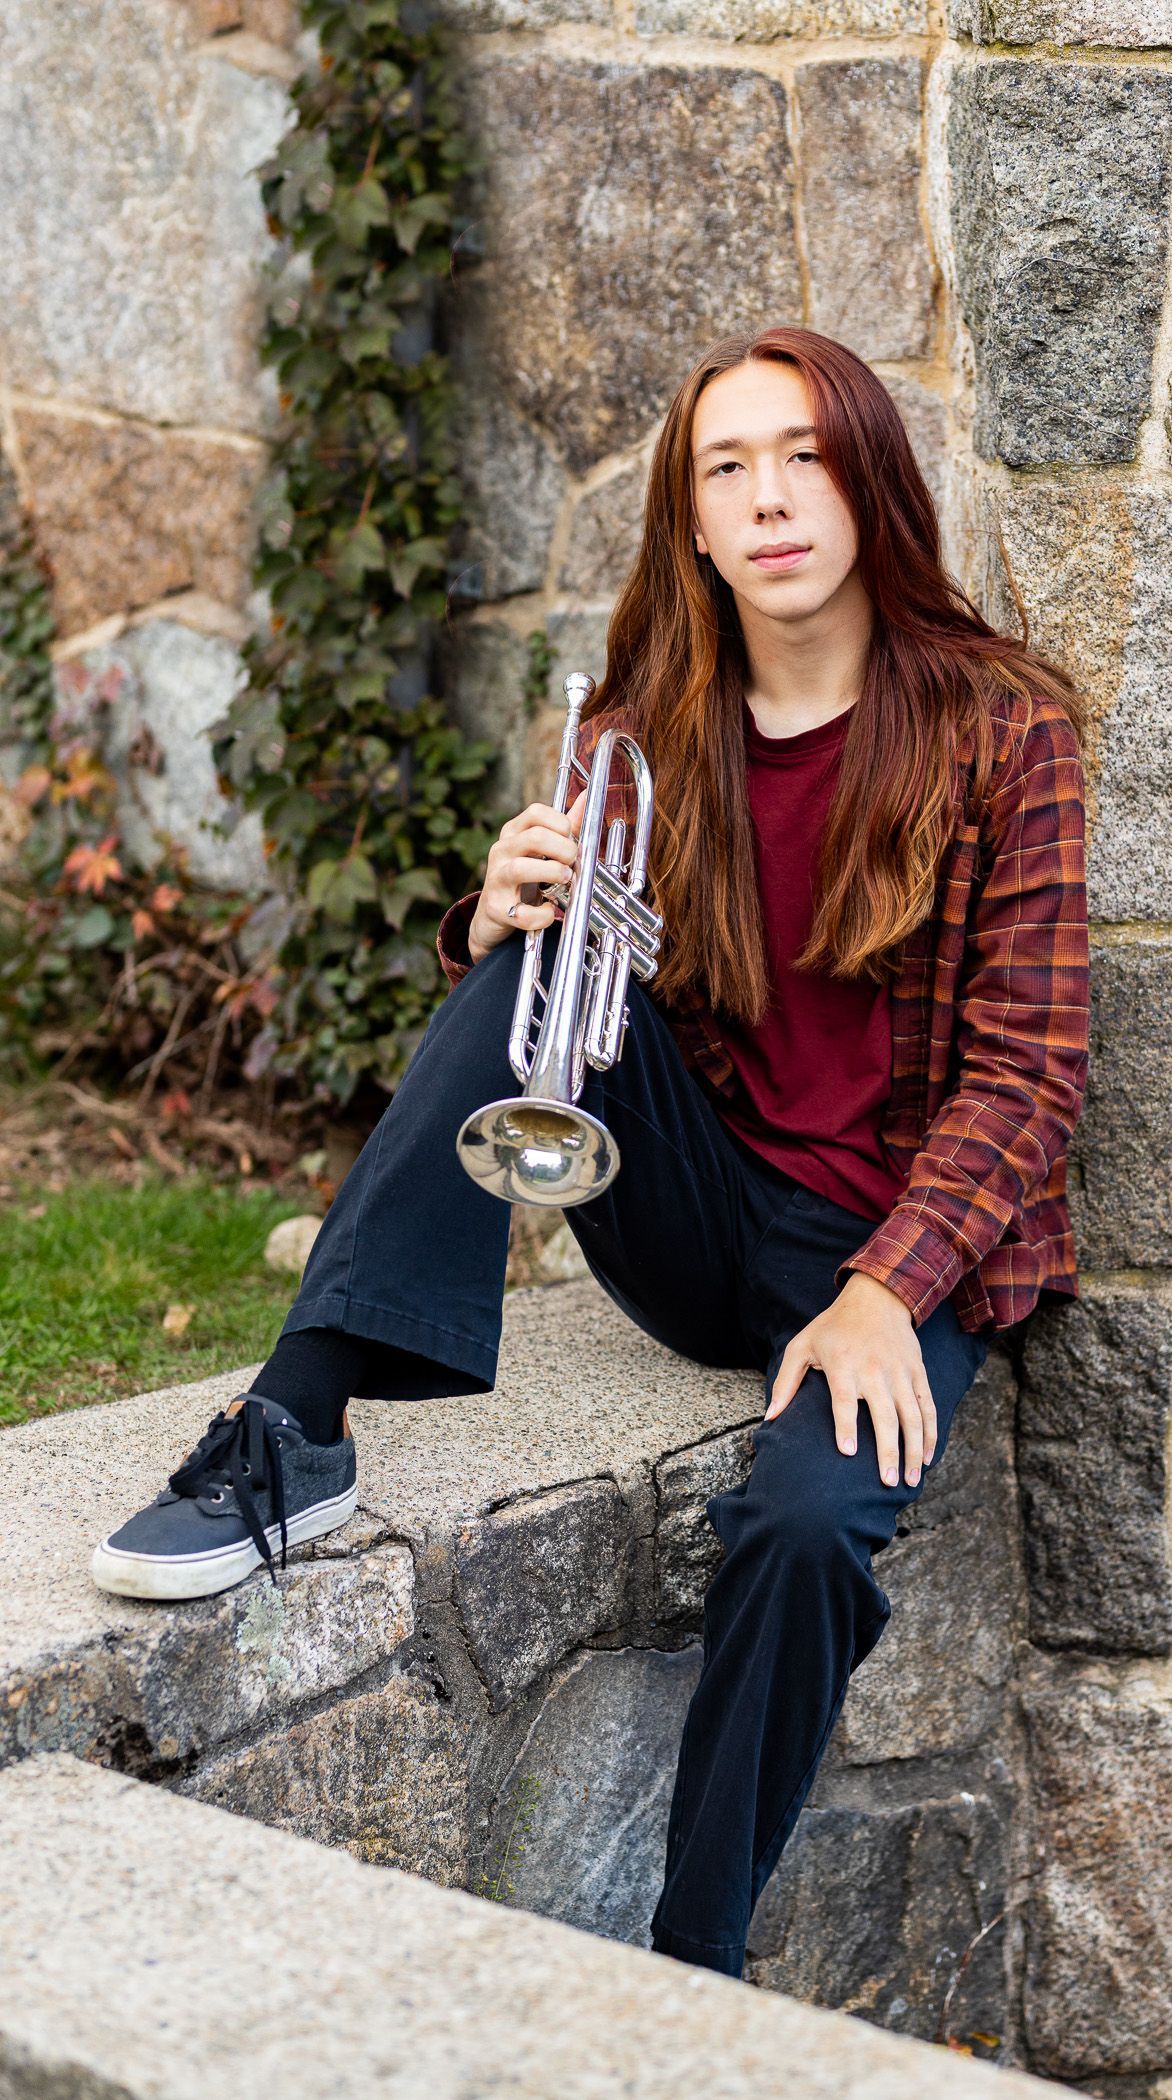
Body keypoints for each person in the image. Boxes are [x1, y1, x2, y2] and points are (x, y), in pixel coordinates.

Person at [89, 324, 1091, 1980]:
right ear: (689, 523)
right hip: (695, 1227)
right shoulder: (641, 727)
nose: (769, 499)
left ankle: (692, 1963)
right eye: (726, 468)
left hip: (895, 1252)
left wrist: (880, 1293)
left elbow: (1029, 1076)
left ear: (869, 484)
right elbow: (563, 1023)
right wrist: (493, 924)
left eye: (805, 457)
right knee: (523, 957)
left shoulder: (1004, 731)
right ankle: (295, 1425)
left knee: (802, 1529)